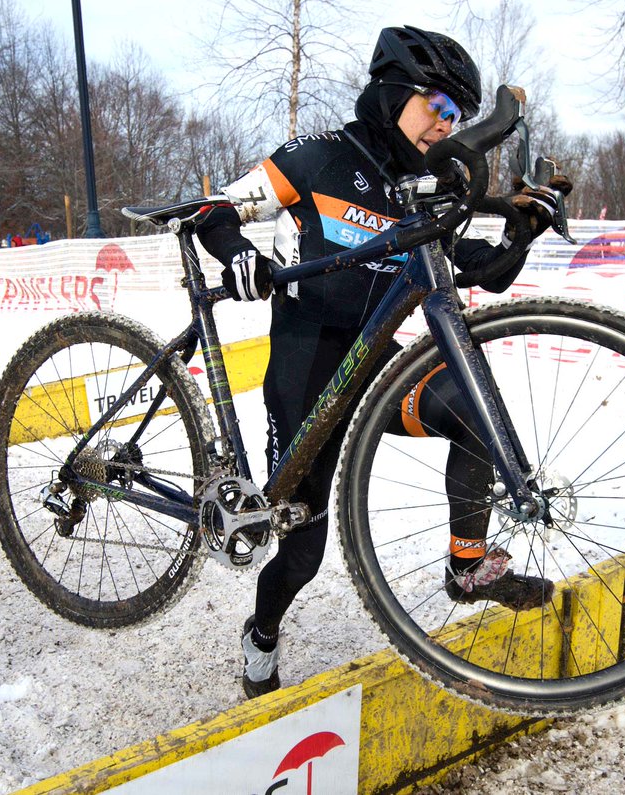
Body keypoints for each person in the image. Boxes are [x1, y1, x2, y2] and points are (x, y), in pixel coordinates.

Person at [195, 25, 573, 698]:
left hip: (374, 362)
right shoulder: (319, 155)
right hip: (307, 368)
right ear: (397, 92)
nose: (447, 125)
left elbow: (480, 270)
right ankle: (262, 634)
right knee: (303, 554)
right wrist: (238, 254)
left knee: (475, 412)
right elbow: (217, 207)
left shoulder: (426, 185)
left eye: (458, 116)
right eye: (439, 106)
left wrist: (522, 229)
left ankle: (467, 567)